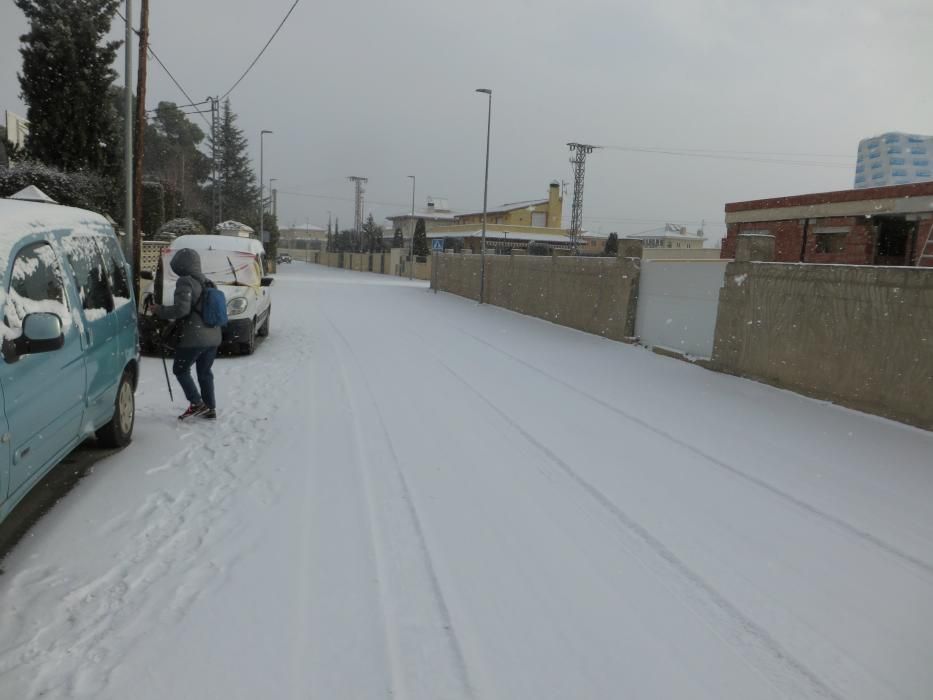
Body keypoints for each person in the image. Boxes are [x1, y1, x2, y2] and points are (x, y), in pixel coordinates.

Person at [151, 248, 222, 420]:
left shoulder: (185, 282)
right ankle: (210, 407)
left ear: (181, 265)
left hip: (194, 337)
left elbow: (182, 310)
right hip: (214, 336)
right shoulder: (209, 282)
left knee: (180, 369)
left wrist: (159, 310)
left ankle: (197, 404)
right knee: (205, 372)